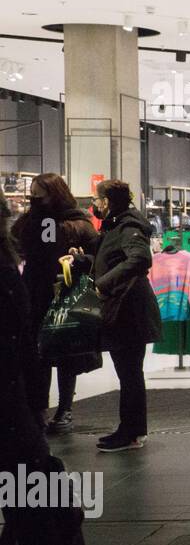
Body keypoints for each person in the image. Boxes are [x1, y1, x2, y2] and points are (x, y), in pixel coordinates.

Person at [0, 194, 136, 545]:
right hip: (9, 406)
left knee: (39, 498)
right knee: (33, 498)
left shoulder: (13, 258)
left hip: (14, 403)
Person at [13, 173, 100, 434]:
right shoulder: (32, 220)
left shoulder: (73, 221)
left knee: (65, 353)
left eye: (39, 194)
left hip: (64, 291)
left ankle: (64, 409)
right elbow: (22, 245)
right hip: (35, 292)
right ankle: (40, 409)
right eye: (33, 194)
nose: (35, 199)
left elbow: (92, 251)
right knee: (38, 354)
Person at [90, 179, 162, 453]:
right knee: (128, 373)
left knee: (130, 373)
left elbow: (140, 258)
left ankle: (132, 433)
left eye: (97, 200)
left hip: (129, 310)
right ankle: (129, 429)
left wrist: (103, 283)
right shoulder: (117, 224)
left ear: (107, 201)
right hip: (124, 308)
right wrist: (84, 261)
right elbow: (114, 259)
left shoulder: (128, 225)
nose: (95, 205)